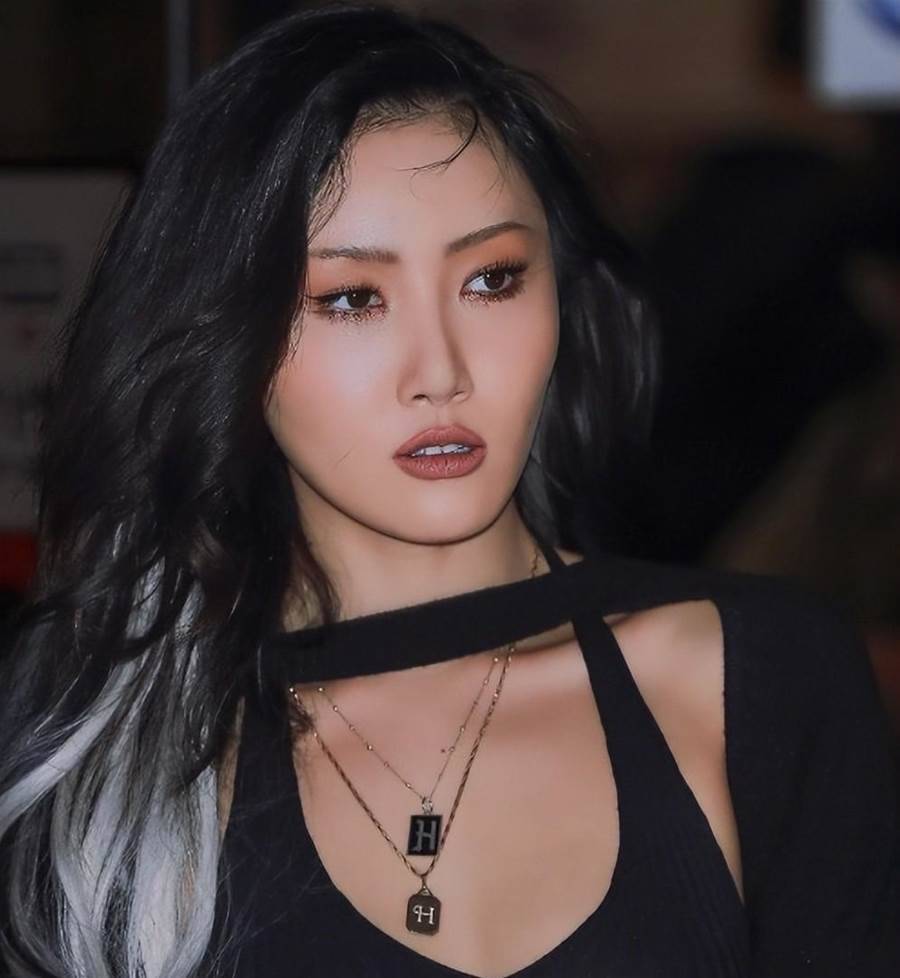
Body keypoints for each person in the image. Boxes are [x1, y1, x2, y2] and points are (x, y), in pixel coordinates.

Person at [0, 5, 896, 977]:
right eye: (352, 298)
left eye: (492, 280)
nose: (441, 372)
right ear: (227, 337)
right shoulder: (109, 745)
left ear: (561, 298)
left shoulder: (761, 677)